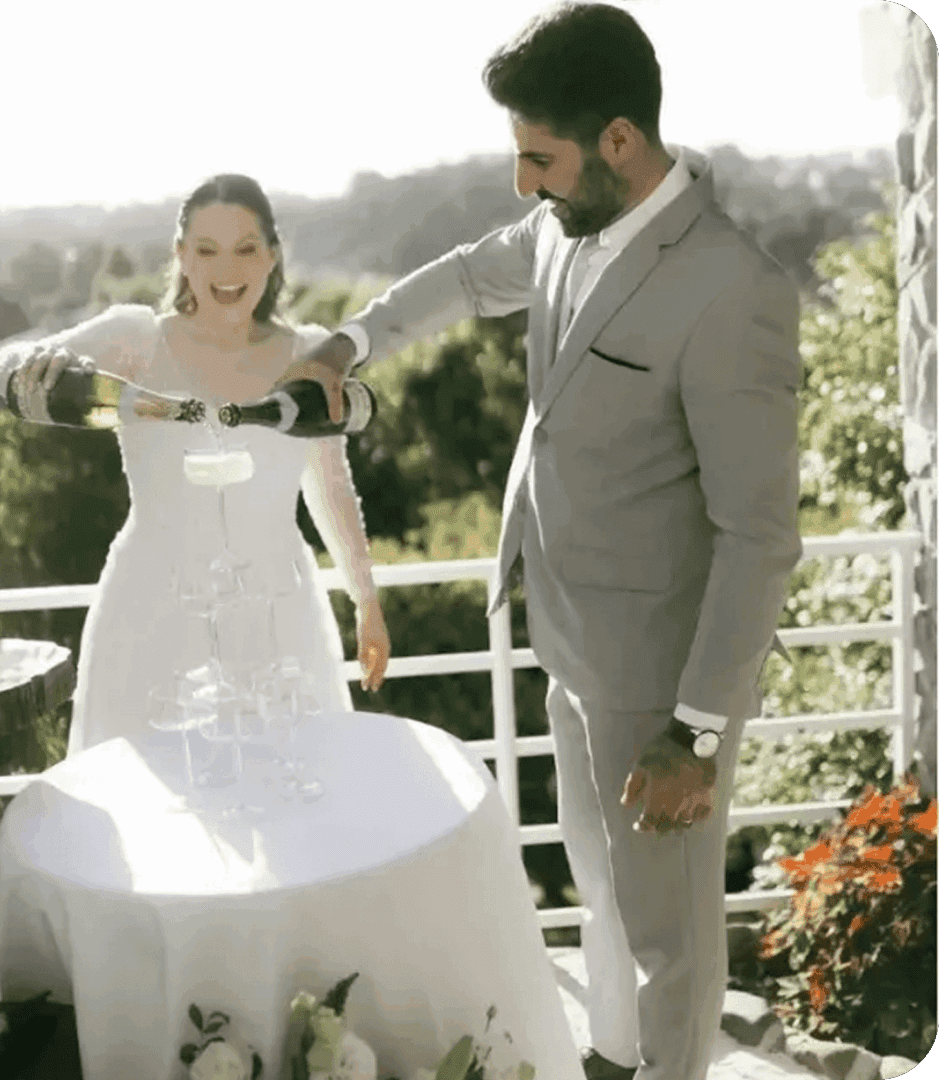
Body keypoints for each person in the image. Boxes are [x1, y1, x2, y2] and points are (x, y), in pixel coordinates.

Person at [278, 6, 801, 1080]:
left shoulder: (731, 288)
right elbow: (471, 274)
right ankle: (615, 1057)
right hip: (567, 639)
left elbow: (759, 537)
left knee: (673, 934)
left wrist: (694, 734)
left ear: (618, 139)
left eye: (538, 158)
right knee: (601, 889)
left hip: (661, 681)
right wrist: (347, 342)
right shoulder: (570, 227)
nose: (522, 184)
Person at [0, 174, 390, 756]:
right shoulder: (136, 340)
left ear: (273, 256)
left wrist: (366, 600)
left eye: (246, 249)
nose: (228, 269)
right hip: (152, 611)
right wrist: (26, 359)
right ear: (181, 255)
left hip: (276, 614)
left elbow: (330, 487)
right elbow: (4, 370)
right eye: (207, 250)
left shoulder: (310, 353)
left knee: (286, 796)